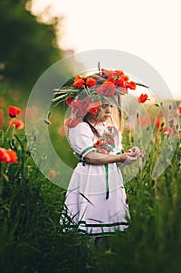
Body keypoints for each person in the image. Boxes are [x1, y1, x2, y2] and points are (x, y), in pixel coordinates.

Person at [57, 68, 141, 244]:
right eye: (103, 105)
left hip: (111, 181)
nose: (108, 110)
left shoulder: (111, 130)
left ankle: (105, 256)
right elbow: (90, 157)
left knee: (108, 224)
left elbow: (116, 160)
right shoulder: (80, 128)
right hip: (90, 180)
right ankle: (85, 257)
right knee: (90, 220)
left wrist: (127, 157)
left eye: (111, 105)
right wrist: (118, 158)